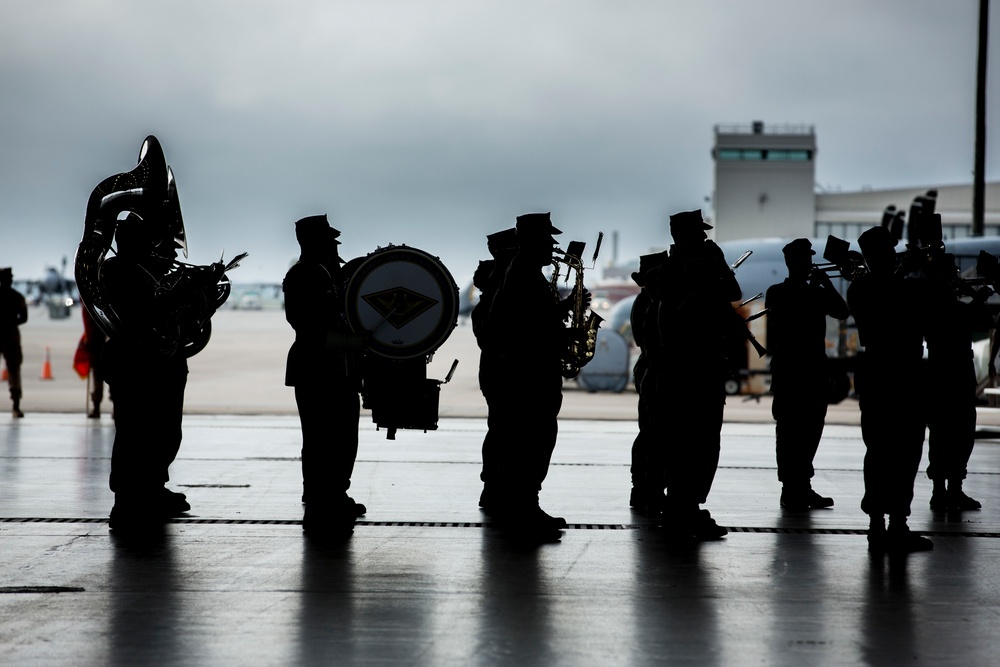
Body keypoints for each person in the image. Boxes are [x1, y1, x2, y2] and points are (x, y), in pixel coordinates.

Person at [101, 215, 223, 532]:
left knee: (162, 432)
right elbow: (143, 313)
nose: (153, 248)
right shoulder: (118, 270)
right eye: (145, 241)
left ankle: (151, 489)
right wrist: (183, 293)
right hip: (136, 362)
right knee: (135, 433)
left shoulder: (143, 271)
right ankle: (128, 501)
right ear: (127, 241)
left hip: (159, 362)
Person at [488, 212, 578, 539]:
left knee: (530, 443)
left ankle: (526, 507)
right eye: (547, 240)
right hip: (529, 375)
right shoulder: (523, 273)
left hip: (528, 371)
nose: (552, 247)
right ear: (531, 241)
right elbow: (529, 328)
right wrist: (566, 336)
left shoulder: (523, 272)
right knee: (530, 444)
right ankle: (523, 512)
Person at [652, 209, 741, 539]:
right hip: (694, 370)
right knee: (695, 442)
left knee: (690, 443)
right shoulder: (676, 272)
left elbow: (730, 294)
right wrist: (714, 267)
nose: (705, 238)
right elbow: (730, 293)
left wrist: (715, 267)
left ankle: (683, 505)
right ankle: (683, 509)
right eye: (699, 233)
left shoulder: (675, 271)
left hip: (689, 370)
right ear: (685, 236)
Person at [847, 226, 932, 553]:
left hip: (875, 370)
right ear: (884, 253)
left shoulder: (859, 289)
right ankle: (896, 523)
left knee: (879, 449)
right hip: (903, 371)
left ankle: (877, 525)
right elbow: (934, 303)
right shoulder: (903, 287)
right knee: (906, 448)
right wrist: (921, 266)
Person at [283, 214, 368, 538]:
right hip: (317, 369)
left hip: (336, 370)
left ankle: (334, 494)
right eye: (329, 242)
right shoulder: (303, 276)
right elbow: (306, 327)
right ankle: (320, 503)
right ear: (312, 243)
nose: (335, 247)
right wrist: (352, 342)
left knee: (342, 438)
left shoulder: (323, 274)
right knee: (322, 439)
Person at [764, 238, 849, 510]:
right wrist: (824, 284)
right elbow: (841, 311)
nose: (809, 264)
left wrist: (821, 286)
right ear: (795, 263)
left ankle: (798, 486)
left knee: (803, 430)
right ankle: (794, 487)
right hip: (803, 369)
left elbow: (842, 312)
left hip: (797, 370)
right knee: (797, 430)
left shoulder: (780, 292)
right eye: (805, 260)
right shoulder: (782, 292)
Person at [917, 249, 991, 512]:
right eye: (952, 272)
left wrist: (973, 296)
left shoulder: (938, 304)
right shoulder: (937, 305)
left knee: (944, 432)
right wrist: (980, 295)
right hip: (953, 369)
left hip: (944, 369)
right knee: (957, 431)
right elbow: (969, 319)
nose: (957, 276)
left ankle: (943, 491)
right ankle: (950, 491)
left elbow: (983, 321)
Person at [473, 227, 518, 515]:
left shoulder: (488, 303)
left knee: (499, 430)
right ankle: (493, 487)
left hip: (494, 372)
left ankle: (493, 487)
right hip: (500, 372)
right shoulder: (490, 305)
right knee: (503, 431)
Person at [628, 252, 667, 515]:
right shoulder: (650, 303)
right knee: (652, 434)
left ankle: (645, 488)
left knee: (651, 434)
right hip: (653, 368)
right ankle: (646, 489)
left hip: (650, 368)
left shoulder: (648, 301)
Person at [0, 267, 28, 418]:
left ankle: (16, 404)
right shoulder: (17, 297)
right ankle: (16, 406)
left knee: (14, 371)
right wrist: (11, 322)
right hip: (11, 335)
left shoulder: (17, 297)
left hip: (10, 336)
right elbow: (23, 318)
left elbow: (24, 318)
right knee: (14, 371)